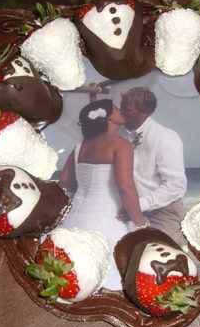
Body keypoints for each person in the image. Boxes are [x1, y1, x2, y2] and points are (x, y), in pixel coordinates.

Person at [59, 99, 146, 290]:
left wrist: (84, 191)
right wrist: (140, 224)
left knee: (76, 272)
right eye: (116, 108)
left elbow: (65, 179)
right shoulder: (120, 144)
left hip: (77, 215)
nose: (120, 110)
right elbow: (126, 188)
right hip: (109, 216)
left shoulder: (80, 145)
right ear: (108, 117)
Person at [118, 87, 187, 247]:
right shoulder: (119, 134)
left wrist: (136, 206)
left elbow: (175, 186)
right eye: (120, 106)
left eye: (127, 109)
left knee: (172, 260)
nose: (120, 112)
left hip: (163, 212)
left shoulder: (166, 138)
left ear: (144, 112)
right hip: (127, 209)